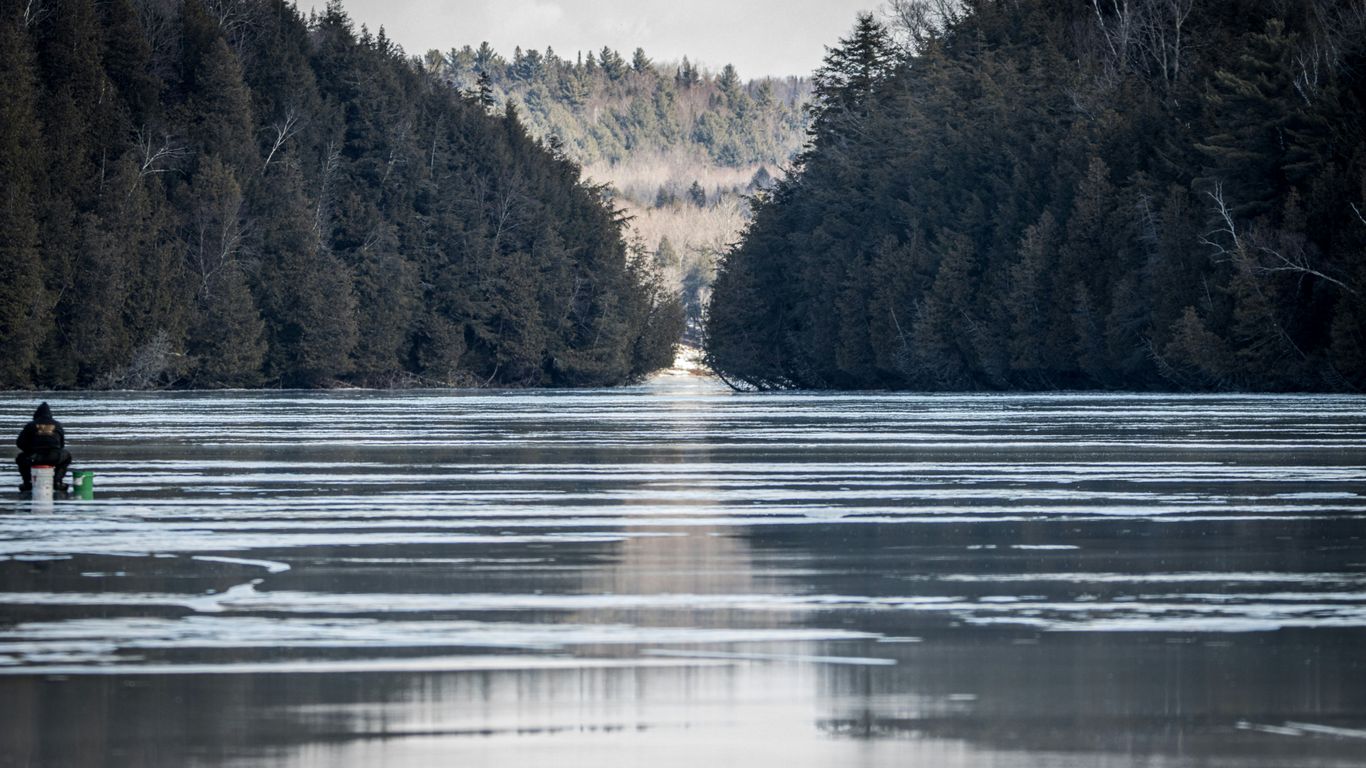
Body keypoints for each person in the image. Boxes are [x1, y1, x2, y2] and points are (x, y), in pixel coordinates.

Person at [16, 402, 72, 494]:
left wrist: (29, 451)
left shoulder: (30, 425)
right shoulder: (57, 425)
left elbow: (20, 443)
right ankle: (57, 482)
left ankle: (28, 483)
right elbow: (61, 445)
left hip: (34, 457)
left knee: (20, 458)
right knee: (67, 457)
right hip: (54, 457)